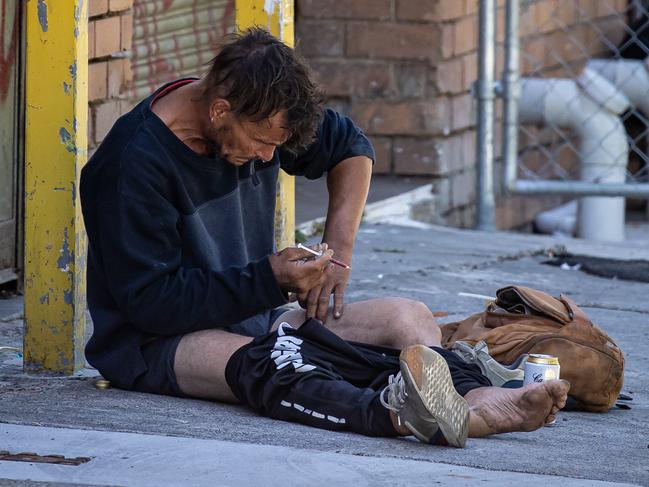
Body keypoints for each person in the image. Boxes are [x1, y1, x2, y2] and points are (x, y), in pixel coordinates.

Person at [80, 28, 569, 448]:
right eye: (264, 143)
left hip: (252, 317)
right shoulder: (131, 165)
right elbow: (152, 304)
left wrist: (338, 255)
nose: (271, 158)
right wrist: (270, 278)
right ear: (220, 111)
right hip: (158, 345)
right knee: (277, 361)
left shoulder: (258, 116)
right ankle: (401, 414)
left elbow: (349, 146)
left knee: (407, 316)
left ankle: (472, 398)